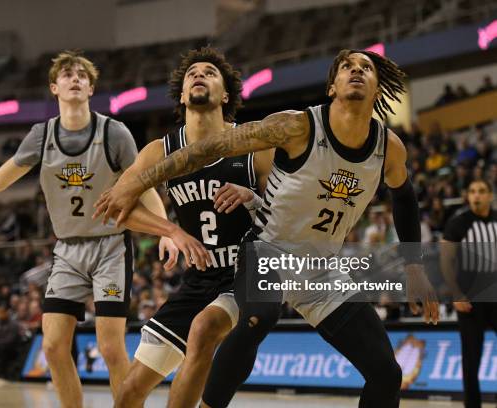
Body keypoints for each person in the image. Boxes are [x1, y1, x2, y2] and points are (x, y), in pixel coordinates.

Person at [94, 49, 441, 408]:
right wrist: (138, 184)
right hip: (266, 252)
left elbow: (405, 198)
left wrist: (414, 266)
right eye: (347, 67)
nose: (356, 72)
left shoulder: (389, 147)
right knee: (259, 316)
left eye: (366, 68)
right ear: (332, 86)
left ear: (377, 86)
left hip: (322, 267)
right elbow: (210, 149)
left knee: (387, 373)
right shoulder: (296, 126)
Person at [0, 50, 207, 408]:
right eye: (68, 74)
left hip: (110, 246)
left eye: (82, 74)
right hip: (68, 249)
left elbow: (144, 185)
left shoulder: (114, 133)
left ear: (91, 87)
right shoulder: (41, 136)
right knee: (51, 346)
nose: (75, 78)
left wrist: (164, 232)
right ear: (55, 87)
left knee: (111, 349)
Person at [112, 47, 273, 408]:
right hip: (198, 280)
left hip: (245, 274)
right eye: (192, 74)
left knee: (204, 330)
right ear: (182, 95)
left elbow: (288, 214)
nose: (200, 75)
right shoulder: (160, 151)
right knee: (128, 393)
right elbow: (117, 205)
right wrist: (170, 230)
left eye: (210, 73)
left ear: (226, 94)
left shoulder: (254, 146)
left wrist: (253, 197)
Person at [441, 179, 497, 408]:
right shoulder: (459, 223)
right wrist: (456, 294)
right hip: (470, 301)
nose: (477, 196)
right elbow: (445, 261)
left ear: (490, 195)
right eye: (472, 192)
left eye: (482, 191)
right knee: (471, 360)